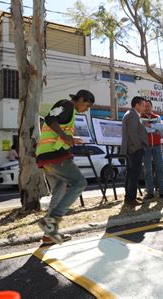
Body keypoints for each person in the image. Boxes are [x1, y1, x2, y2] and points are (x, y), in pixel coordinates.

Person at [36, 89, 95, 245]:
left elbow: (56, 127)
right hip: (55, 156)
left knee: (60, 188)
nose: (86, 109)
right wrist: (64, 136)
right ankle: (52, 222)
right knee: (80, 183)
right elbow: (50, 119)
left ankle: (49, 235)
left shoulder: (70, 112)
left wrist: (70, 139)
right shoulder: (67, 104)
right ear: (81, 99)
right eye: (87, 105)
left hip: (46, 157)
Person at [121, 96, 148, 206]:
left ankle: (129, 197)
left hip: (130, 149)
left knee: (130, 174)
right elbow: (133, 133)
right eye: (142, 105)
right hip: (134, 149)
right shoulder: (132, 115)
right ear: (136, 105)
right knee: (134, 174)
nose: (144, 108)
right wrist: (139, 146)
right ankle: (130, 199)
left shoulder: (130, 114)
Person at [140, 100, 163, 199]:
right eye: (145, 106)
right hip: (146, 146)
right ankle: (150, 192)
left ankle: (162, 192)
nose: (147, 108)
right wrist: (154, 129)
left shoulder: (157, 117)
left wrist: (151, 126)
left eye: (149, 106)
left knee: (160, 169)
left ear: (152, 107)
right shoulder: (140, 118)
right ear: (143, 107)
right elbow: (143, 130)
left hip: (157, 146)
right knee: (148, 170)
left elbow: (162, 127)